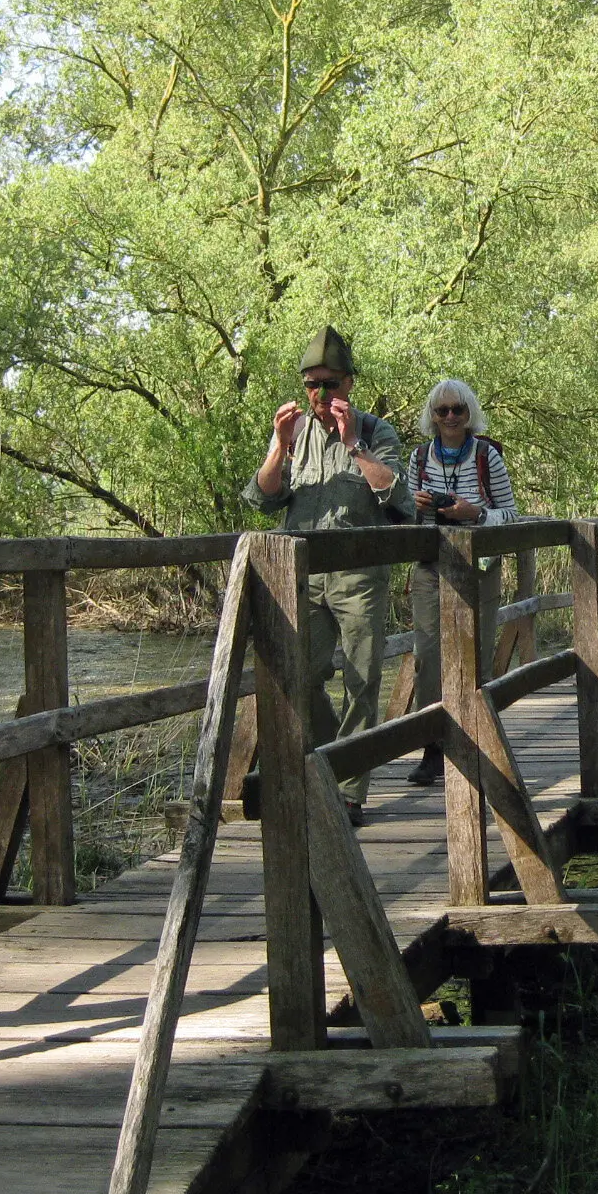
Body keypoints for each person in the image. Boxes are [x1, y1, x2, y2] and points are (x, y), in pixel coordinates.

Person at [243, 325, 414, 824]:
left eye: (330, 384)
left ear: (349, 384)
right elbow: (262, 498)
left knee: (363, 679)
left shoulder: (377, 432)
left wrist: (354, 445)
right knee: (302, 673)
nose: (320, 394)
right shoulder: (293, 432)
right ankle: (333, 762)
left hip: (360, 574)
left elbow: (397, 498)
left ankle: (350, 792)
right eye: (311, 384)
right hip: (303, 575)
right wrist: (278, 445)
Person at [404, 379, 518, 786]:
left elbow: (511, 514)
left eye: (458, 410)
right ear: (432, 417)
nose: (450, 417)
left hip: (478, 567)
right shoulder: (419, 457)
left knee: (476, 653)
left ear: (470, 413)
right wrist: (417, 507)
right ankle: (434, 748)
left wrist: (475, 513)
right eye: (442, 411)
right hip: (431, 566)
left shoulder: (487, 456)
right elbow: (405, 519)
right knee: (428, 655)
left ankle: (477, 745)